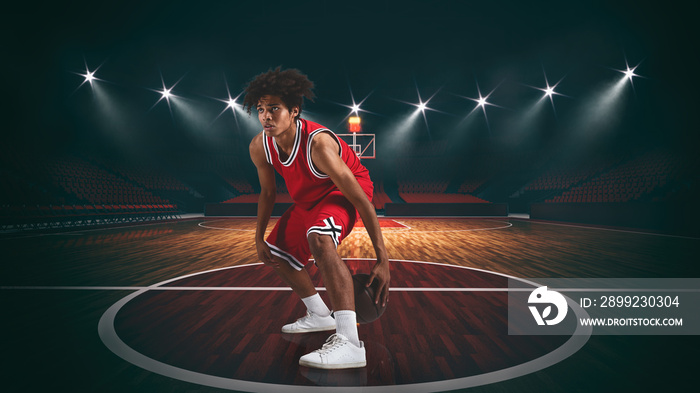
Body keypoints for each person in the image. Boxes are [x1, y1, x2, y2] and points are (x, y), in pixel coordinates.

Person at [245, 67, 390, 369]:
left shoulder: (318, 145)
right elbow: (268, 193)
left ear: (293, 111)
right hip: (309, 199)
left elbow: (362, 200)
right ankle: (320, 315)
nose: (266, 116)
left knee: (319, 238)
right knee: (276, 254)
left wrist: (383, 260)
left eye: (274, 108)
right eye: (260, 109)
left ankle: (350, 343)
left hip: (345, 192)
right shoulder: (260, 146)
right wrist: (258, 237)